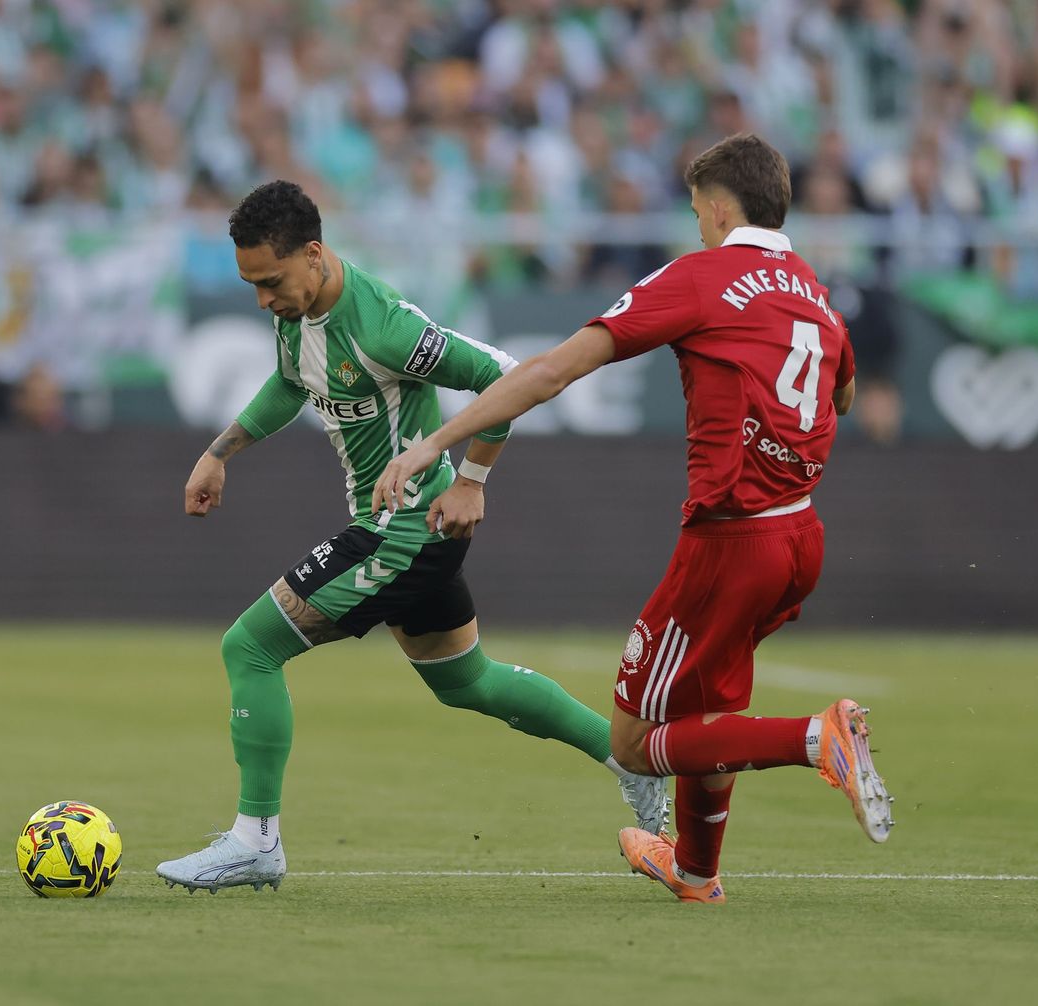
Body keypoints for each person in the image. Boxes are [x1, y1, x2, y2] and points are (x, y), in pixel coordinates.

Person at [373, 134, 894, 905]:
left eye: (695, 211)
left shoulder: (704, 276)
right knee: (709, 712)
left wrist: (437, 446)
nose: (695, 224)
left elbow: (551, 369)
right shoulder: (815, 292)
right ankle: (695, 873)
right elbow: (843, 394)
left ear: (718, 208)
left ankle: (817, 739)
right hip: (799, 535)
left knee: (636, 744)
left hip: (730, 541)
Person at [156, 181, 667, 894]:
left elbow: (502, 376)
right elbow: (288, 380)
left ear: (314, 254)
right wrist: (221, 451)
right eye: (251, 286)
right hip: (400, 528)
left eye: (270, 282)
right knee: (468, 681)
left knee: (250, 647)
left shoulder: (384, 328)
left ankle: (255, 841)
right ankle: (633, 764)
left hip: (404, 532)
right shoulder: (297, 311)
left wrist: (473, 480)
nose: (263, 300)